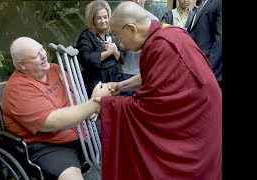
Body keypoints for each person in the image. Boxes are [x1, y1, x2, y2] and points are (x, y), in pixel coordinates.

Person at [91, 2, 222, 179]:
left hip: (199, 119)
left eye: (117, 35)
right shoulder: (168, 34)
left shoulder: (162, 45)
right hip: (208, 109)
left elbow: (150, 108)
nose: (119, 43)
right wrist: (121, 86)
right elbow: (149, 75)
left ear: (131, 29)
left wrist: (107, 104)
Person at [0, 37, 110, 180]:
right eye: (35, 56)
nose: (43, 55)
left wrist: (89, 109)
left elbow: (77, 96)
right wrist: (94, 104)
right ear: (22, 65)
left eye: (42, 49)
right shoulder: (18, 90)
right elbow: (52, 122)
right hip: (49, 145)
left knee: (124, 138)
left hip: (80, 130)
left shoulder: (55, 69)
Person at [76, 0, 124, 98]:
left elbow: (122, 58)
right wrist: (108, 52)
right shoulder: (86, 36)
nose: (103, 21)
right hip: (96, 81)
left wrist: (115, 52)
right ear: (92, 19)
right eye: (99, 18)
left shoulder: (112, 34)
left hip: (114, 78)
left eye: (105, 17)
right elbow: (85, 59)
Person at [119, 0, 159, 96]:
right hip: (127, 72)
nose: (137, 1)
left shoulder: (154, 20)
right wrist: (131, 42)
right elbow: (119, 47)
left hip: (147, 74)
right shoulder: (121, 19)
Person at [187, 0, 222, 89]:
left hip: (209, 66)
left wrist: (209, 67)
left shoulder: (218, 2)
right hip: (197, 63)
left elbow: (220, 38)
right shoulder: (203, 4)